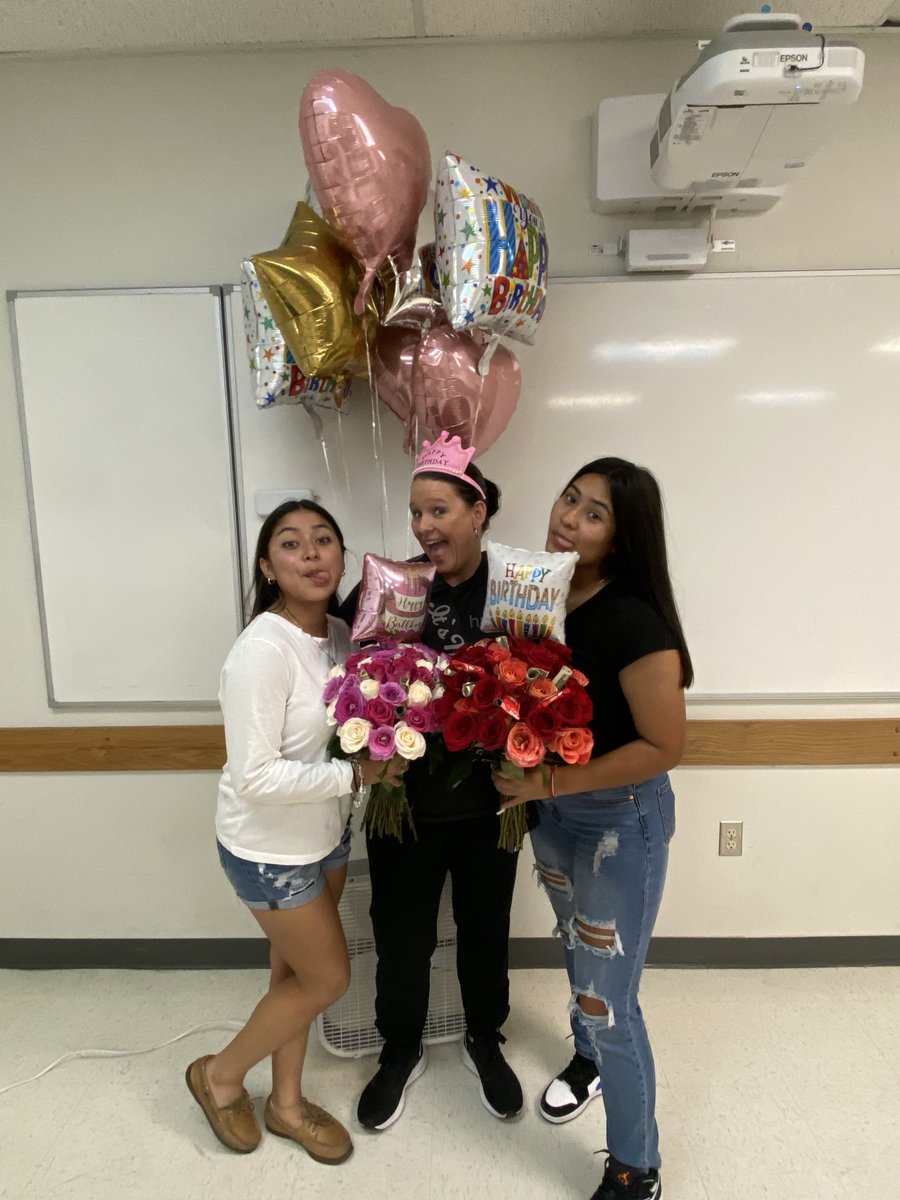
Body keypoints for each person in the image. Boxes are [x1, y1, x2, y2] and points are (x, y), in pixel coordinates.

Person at [493, 458, 692, 1200]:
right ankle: (590, 1059)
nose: (569, 518)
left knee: (613, 999)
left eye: (594, 513)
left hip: (620, 820)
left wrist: (550, 780)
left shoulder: (636, 620)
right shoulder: (543, 592)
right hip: (554, 813)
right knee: (577, 948)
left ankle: (636, 1168)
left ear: (623, 534)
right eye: (569, 498)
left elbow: (664, 746)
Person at [186, 499, 404, 1162]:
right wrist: (357, 779)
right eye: (290, 544)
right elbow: (253, 776)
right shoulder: (262, 650)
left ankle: (284, 1105)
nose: (311, 554)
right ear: (267, 566)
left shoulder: (340, 635)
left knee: (294, 973)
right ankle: (219, 1076)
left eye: (324, 540)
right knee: (327, 979)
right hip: (267, 850)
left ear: (343, 557)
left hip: (324, 836)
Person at [340, 432, 524, 1131]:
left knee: (486, 928)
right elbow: (351, 678)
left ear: (478, 512)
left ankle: (485, 1036)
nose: (424, 526)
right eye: (417, 512)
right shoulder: (393, 584)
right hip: (405, 807)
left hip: (492, 805)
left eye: (440, 510)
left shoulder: (515, 586)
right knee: (402, 932)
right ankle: (399, 1048)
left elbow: (545, 669)